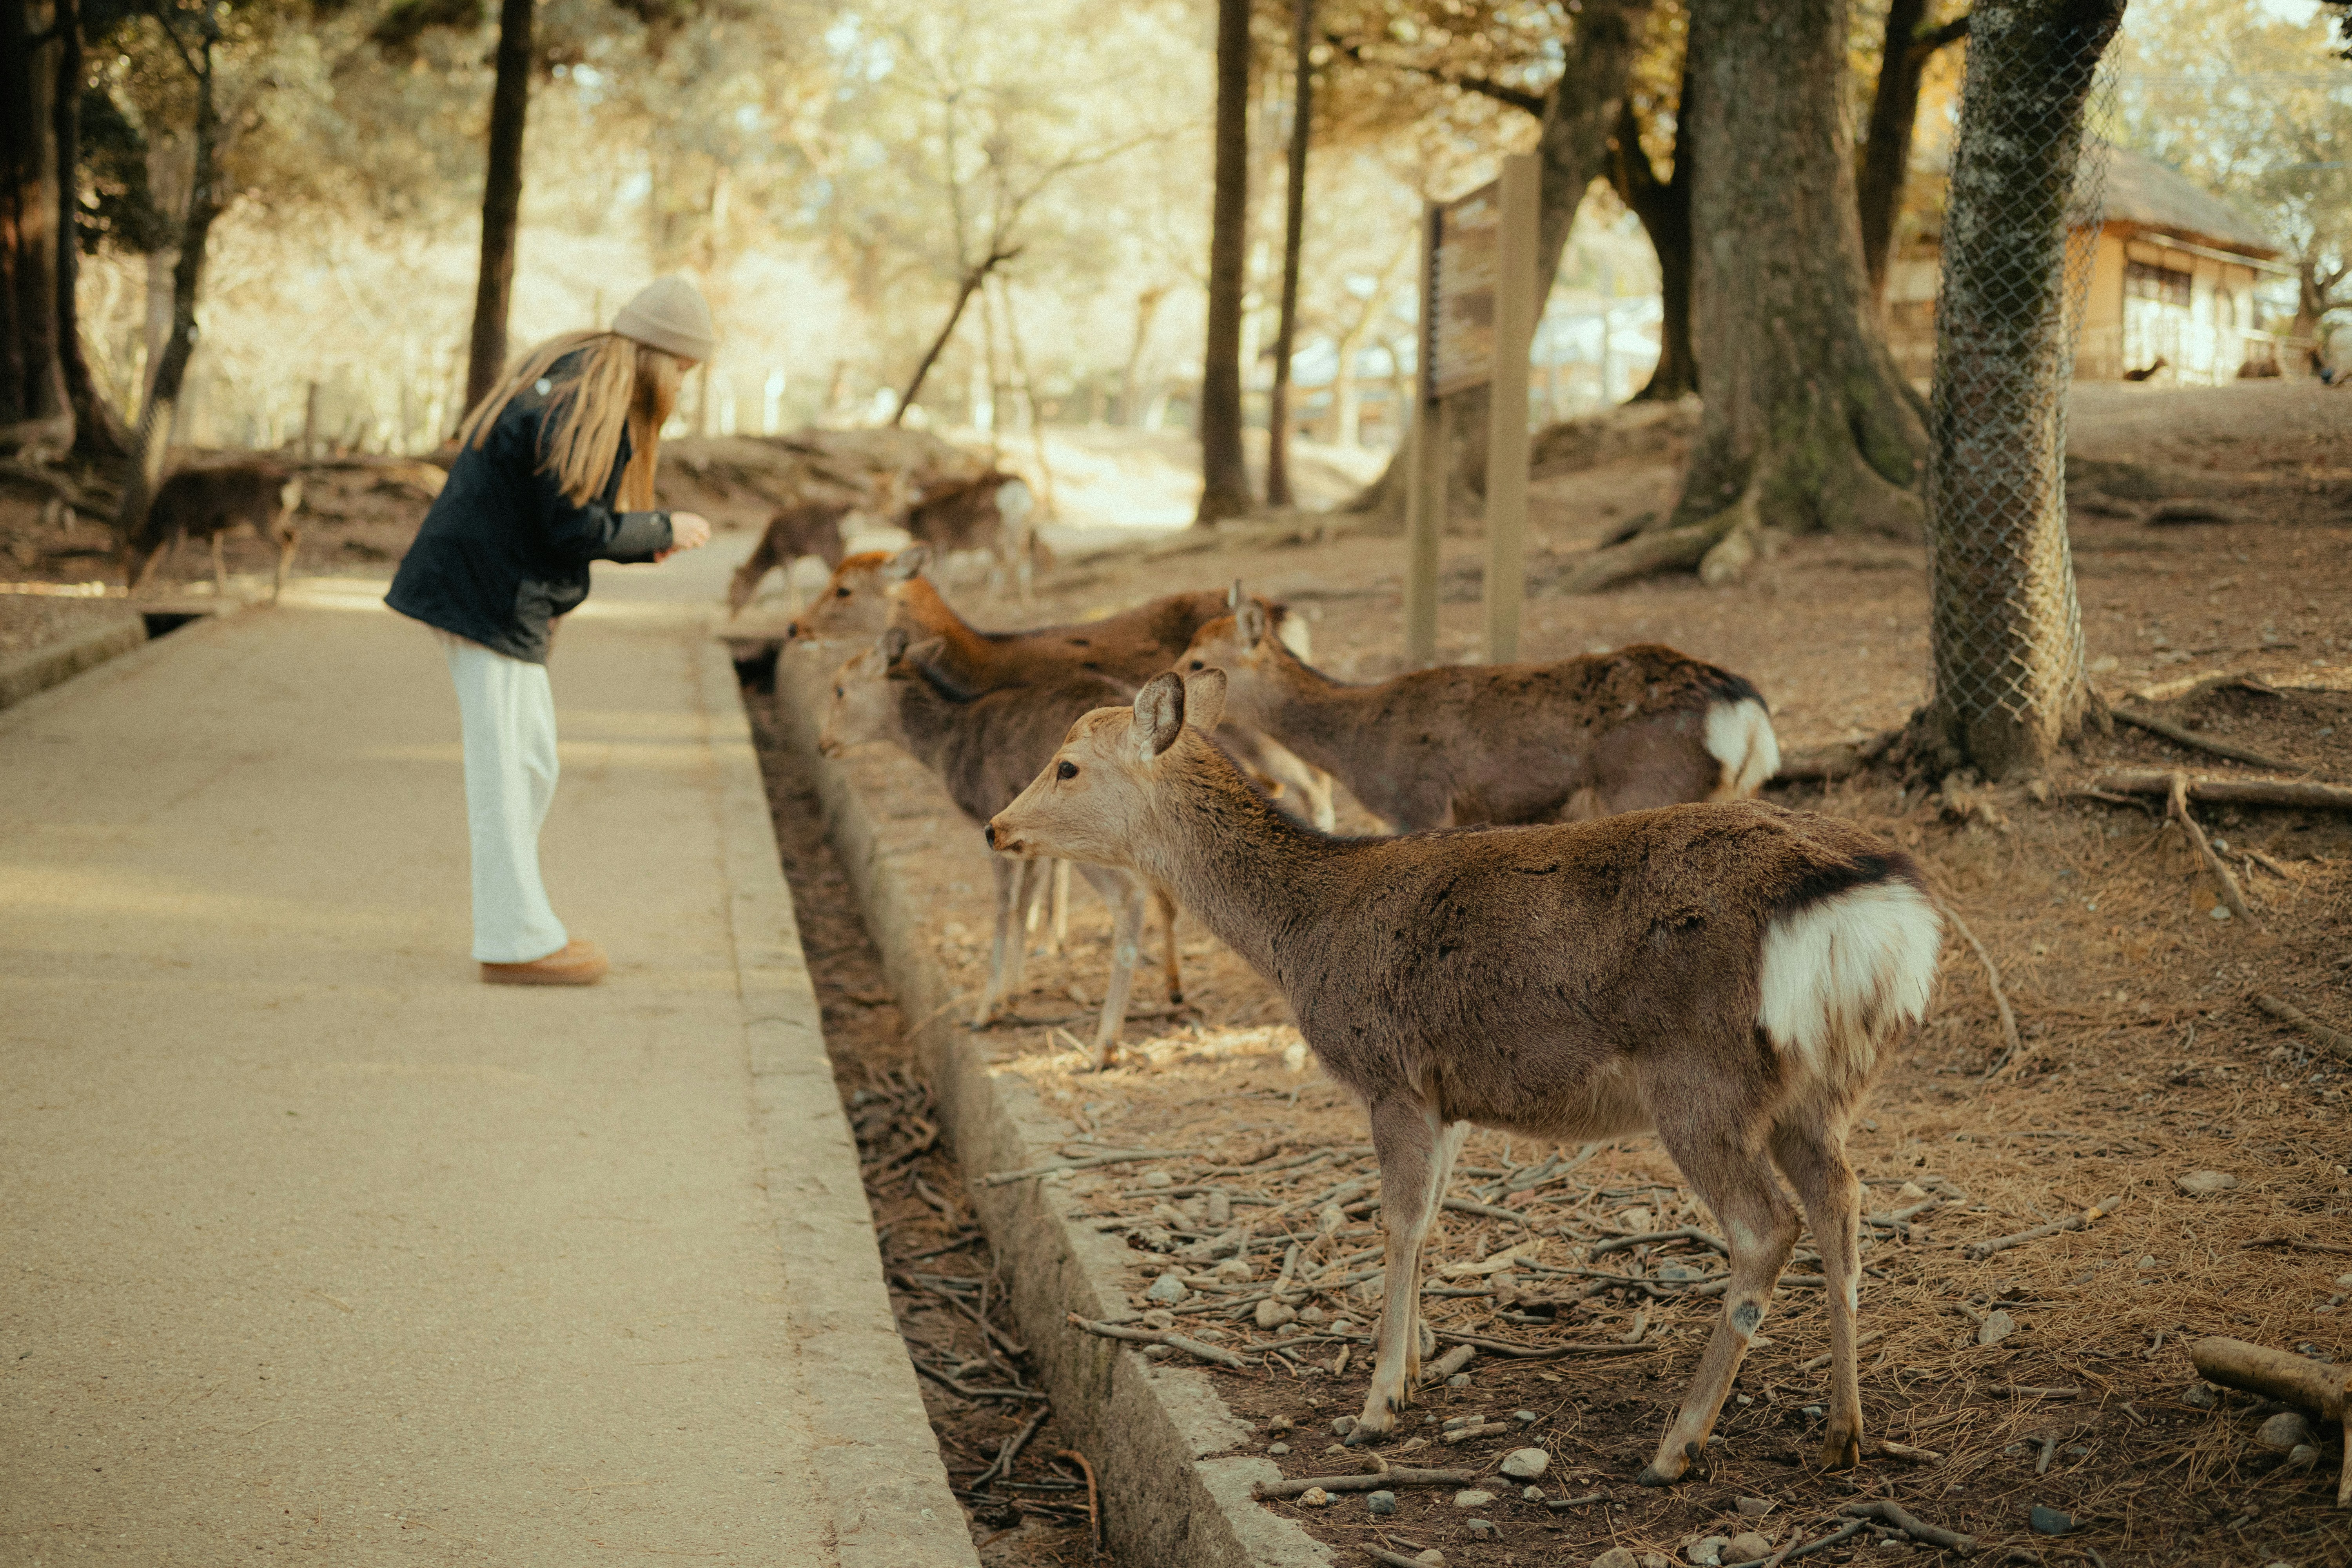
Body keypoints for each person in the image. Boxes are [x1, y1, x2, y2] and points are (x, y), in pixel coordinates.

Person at [386, 277, 717, 985]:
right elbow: (570, 525)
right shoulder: (578, 401)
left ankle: (520, 924)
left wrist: (631, 539)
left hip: (493, 592)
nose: (683, 386)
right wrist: (660, 527)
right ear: (661, 357)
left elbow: (556, 519)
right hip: (486, 597)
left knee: (530, 764)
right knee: (508, 775)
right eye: (685, 370)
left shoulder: (578, 382)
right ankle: (515, 943)